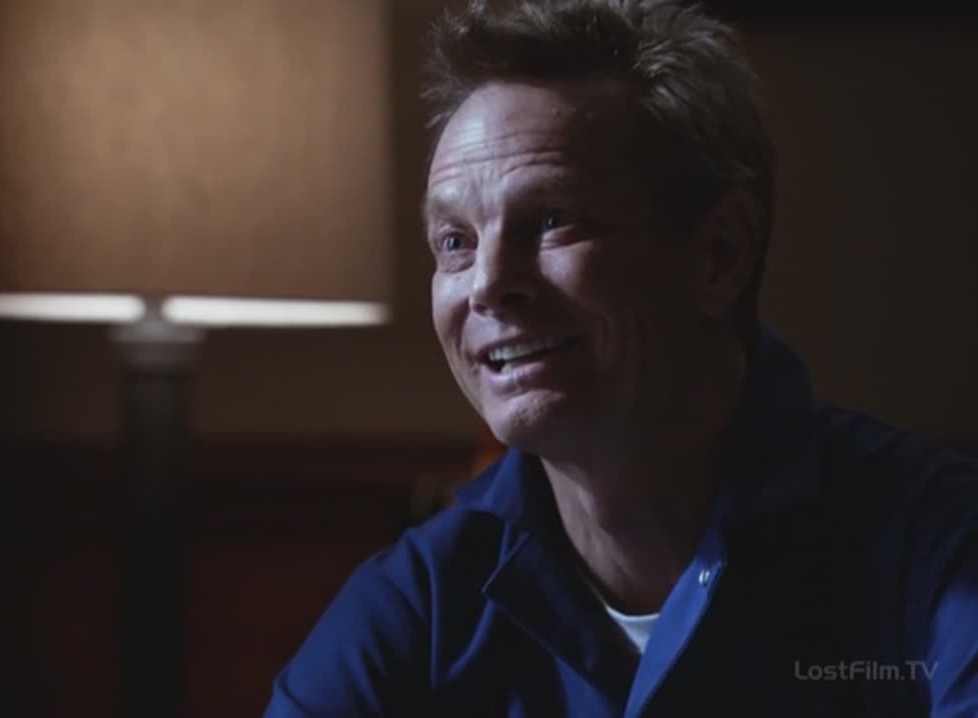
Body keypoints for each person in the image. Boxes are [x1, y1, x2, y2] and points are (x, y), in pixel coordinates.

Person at [264, 0, 978, 716]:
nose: (486, 284)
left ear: (720, 253)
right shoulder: (417, 600)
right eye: (455, 242)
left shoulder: (938, 544)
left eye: (552, 220)